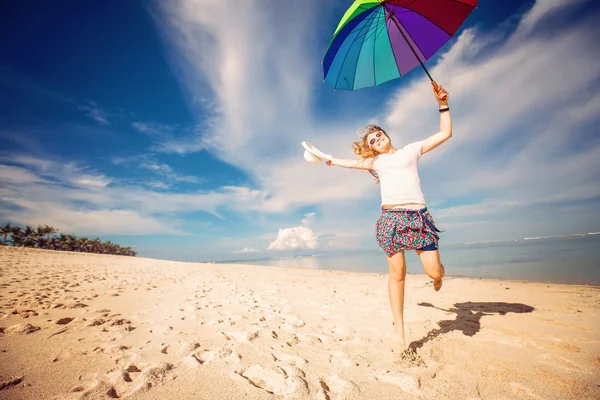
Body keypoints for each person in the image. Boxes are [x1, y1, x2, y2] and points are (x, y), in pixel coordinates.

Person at [324, 84, 451, 351]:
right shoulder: (375, 163)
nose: (377, 139)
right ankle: (400, 332)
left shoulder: (411, 150)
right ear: (371, 149)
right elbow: (349, 163)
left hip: (419, 218)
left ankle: (439, 278)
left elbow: (445, 133)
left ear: (386, 135)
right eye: (371, 141)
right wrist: (329, 160)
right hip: (391, 219)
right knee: (398, 274)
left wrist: (442, 104)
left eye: (378, 134)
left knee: (433, 270)